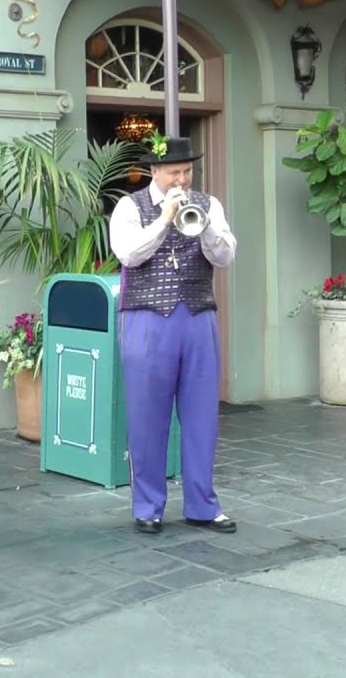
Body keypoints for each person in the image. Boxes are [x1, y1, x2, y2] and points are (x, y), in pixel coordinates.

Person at [109, 134, 237, 535]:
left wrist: (209, 232)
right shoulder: (129, 207)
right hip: (147, 320)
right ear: (154, 171)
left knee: (202, 415)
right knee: (147, 416)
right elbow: (128, 254)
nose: (181, 180)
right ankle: (148, 505)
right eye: (173, 173)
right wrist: (164, 220)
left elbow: (227, 255)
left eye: (187, 171)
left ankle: (202, 504)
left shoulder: (209, 204)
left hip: (198, 315)